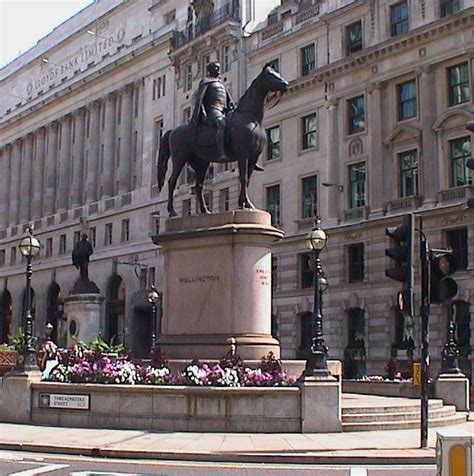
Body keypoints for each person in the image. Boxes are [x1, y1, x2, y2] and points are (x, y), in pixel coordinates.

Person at [191, 61, 264, 170]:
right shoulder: (206, 82)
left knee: (236, 125)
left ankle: (250, 157)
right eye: (216, 68)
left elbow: (229, 101)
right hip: (213, 111)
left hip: (223, 111)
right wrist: (203, 114)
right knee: (222, 123)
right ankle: (221, 152)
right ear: (211, 70)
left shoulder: (221, 84)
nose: (219, 70)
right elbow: (199, 101)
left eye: (219, 68)